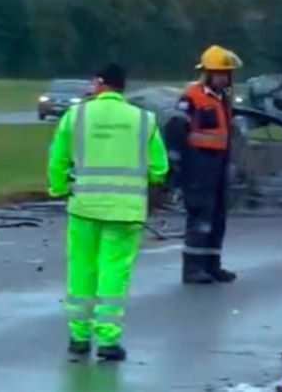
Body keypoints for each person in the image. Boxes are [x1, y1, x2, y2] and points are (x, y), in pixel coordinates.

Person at [48, 63, 169, 361]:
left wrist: (59, 188)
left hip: (84, 207)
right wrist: (150, 191)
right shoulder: (144, 120)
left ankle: (78, 337)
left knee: (81, 270)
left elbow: (58, 159)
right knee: (113, 272)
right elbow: (159, 169)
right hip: (125, 211)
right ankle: (108, 341)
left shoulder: (75, 116)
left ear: (100, 83)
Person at [169, 45, 242, 284]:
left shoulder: (223, 99)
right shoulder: (192, 96)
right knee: (201, 216)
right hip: (198, 163)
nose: (225, 78)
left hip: (218, 164)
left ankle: (212, 265)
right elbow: (176, 129)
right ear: (208, 73)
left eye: (227, 74)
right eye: (220, 74)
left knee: (218, 216)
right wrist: (176, 164)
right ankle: (192, 268)